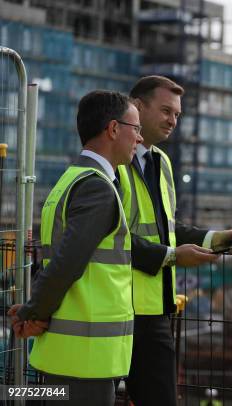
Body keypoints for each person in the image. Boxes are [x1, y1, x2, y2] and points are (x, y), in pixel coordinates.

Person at [7, 90, 143, 405]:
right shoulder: (97, 188)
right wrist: (32, 312)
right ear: (113, 129)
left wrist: (35, 310)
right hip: (88, 360)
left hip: (65, 353)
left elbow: (55, 261)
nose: (139, 138)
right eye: (135, 129)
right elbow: (67, 264)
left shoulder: (69, 180)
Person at [119, 75, 232, 405]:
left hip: (155, 310)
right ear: (137, 106)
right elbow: (112, 238)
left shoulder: (162, 162)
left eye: (177, 114)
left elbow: (167, 228)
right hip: (115, 307)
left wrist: (214, 238)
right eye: (165, 111)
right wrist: (173, 256)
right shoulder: (113, 161)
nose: (173, 120)